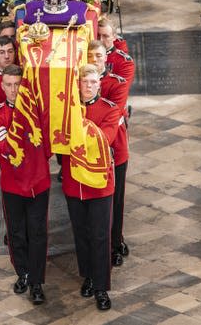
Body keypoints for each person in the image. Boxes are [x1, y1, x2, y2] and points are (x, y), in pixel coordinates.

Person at [0, 64, 50, 304]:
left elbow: (48, 147)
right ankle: (22, 272)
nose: (13, 90)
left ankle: (36, 281)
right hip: (13, 184)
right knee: (16, 233)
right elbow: (5, 148)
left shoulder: (39, 111)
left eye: (17, 84)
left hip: (39, 182)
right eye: (9, 85)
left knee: (37, 233)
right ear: (2, 87)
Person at [62, 64, 120, 311]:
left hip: (99, 184)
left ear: (99, 84)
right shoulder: (67, 111)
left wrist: (74, 129)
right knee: (81, 233)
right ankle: (87, 275)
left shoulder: (110, 109)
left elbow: (103, 139)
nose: (89, 86)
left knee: (99, 235)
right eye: (84, 82)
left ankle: (101, 287)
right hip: (74, 183)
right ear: (78, 84)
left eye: (93, 82)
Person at [86, 40, 130, 265]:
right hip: (85, 151)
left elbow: (114, 111)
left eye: (99, 56)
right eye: (91, 56)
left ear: (106, 58)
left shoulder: (116, 83)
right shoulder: (83, 82)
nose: (95, 60)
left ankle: (115, 242)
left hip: (114, 148)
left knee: (116, 199)